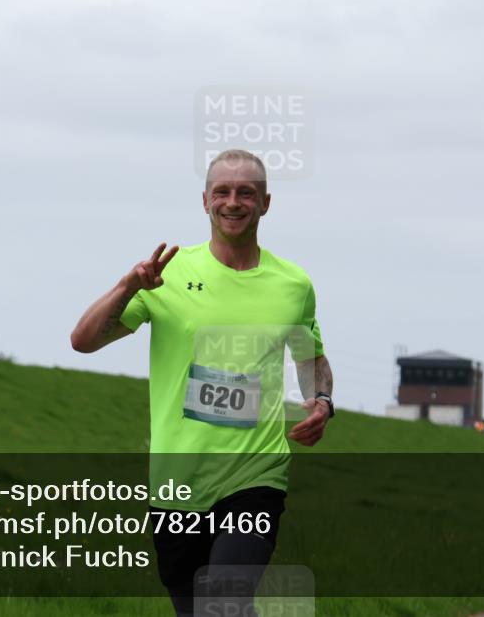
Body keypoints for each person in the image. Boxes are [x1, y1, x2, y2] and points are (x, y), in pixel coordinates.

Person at [70, 149, 333, 616]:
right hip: (176, 484)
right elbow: (83, 341)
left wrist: (322, 400)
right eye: (223, 192)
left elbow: (311, 357)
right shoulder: (166, 277)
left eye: (246, 193)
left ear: (266, 203)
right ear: (205, 201)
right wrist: (128, 287)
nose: (233, 202)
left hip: (257, 475)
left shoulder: (293, 284)